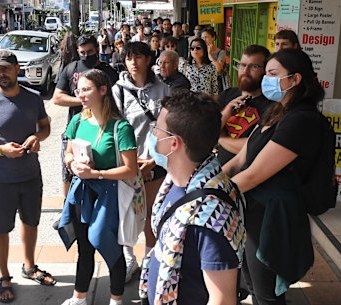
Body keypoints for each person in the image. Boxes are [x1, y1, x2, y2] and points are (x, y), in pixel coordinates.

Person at [223, 48, 324, 305]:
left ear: (294, 79)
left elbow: (253, 175)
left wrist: (209, 194)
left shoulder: (302, 120)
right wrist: (206, 182)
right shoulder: (276, 111)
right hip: (251, 210)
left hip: (272, 217)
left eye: (272, 74)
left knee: (267, 293)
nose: (266, 79)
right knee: (252, 283)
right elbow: (241, 159)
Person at [140, 90, 246, 305]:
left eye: (156, 129)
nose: (152, 134)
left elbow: (222, 299)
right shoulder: (176, 182)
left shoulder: (210, 217)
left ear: (174, 143)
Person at [0, 50, 54, 303]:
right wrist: (1, 150)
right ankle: (3, 275)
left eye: (5, 68)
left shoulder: (34, 98)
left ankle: (29, 266)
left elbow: (45, 127)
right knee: (1, 228)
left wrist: (36, 138)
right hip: (1, 178)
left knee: (31, 222)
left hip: (30, 174)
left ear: (18, 68)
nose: (0, 74)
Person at [59, 69, 137, 305]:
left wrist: (97, 173)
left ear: (103, 90)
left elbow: (131, 169)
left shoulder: (120, 127)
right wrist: (73, 163)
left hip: (109, 193)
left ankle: (116, 299)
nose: (80, 95)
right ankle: (79, 296)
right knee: (84, 246)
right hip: (82, 191)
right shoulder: (79, 119)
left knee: (106, 241)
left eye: (86, 89)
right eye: (78, 90)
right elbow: (68, 152)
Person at [112, 41, 171, 282]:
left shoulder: (165, 90)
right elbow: (113, 128)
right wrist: (132, 161)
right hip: (126, 162)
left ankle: (149, 262)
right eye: (128, 58)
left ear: (149, 59)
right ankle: (129, 260)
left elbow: (168, 129)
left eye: (138, 57)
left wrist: (154, 161)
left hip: (155, 163)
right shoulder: (117, 90)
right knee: (125, 213)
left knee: (150, 214)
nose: (133, 62)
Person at [52, 35, 118, 198]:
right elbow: (58, 98)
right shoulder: (71, 68)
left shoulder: (108, 72)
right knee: (68, 172)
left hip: (103, 128)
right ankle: (68, 209)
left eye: (90, 51)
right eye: (82, 52)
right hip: (76, 128)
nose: (86, 56)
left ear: (97, 49)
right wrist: (85, 100)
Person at [218, 45, 271, 165]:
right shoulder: (228, 94)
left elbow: (254, 147)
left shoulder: (271, 105)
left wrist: (220, 138)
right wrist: (225, 114)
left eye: (254, 66)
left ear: (265, 71)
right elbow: (206, 131)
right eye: (242, 65)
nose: (245, 71)